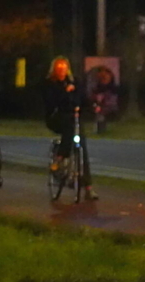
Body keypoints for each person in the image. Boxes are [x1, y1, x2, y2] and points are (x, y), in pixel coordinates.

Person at [44, 56, 98, 201]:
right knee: (69, 127)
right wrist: (65, 93)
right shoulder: (51, 84)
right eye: (59, 68)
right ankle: (61, 157)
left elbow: (83, 98)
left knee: (82, 148)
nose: (62, 71)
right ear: (54, 70)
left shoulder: (75, 82)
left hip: (74, 119)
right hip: (57, 118)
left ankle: (88, 188)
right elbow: (51, 103)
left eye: (64, 68)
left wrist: (93, 107)